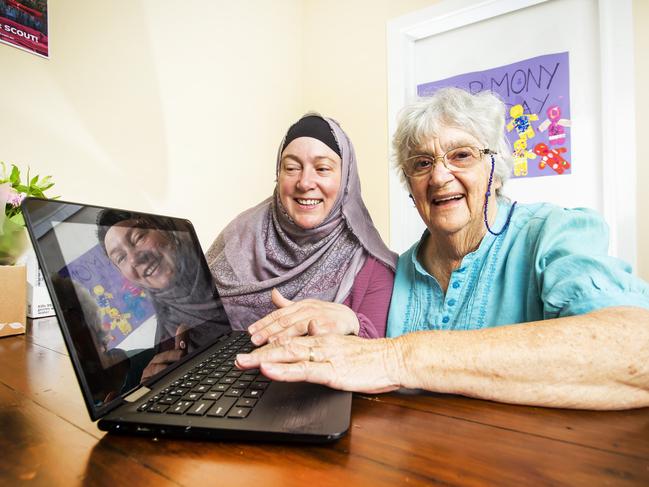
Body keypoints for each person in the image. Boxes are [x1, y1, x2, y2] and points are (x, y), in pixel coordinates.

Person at [235, 88, 649, 410]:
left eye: (461, 155)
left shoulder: (552, 233)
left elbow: (636, 348)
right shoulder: (399, 271)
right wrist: (347, 319)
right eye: (421, 163)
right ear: (412, 189)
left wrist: (400, 357)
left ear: (496, 171)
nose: (439, 176)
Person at [206, 113, 397, 345]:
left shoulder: (371, 267)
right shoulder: (239, 235)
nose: (305, 182)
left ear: (346, 179)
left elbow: (376, 359)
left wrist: (351, 323)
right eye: (292, 168)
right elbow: (191, 313)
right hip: (219, 379)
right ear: (278, 174)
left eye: (322, 168)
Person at [97, 209, 229, 382]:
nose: (134, 259)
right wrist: (160, 388)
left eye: (138, 238)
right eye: (121, 258)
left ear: (165, 232)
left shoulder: (232, 269)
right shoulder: (166, 340)